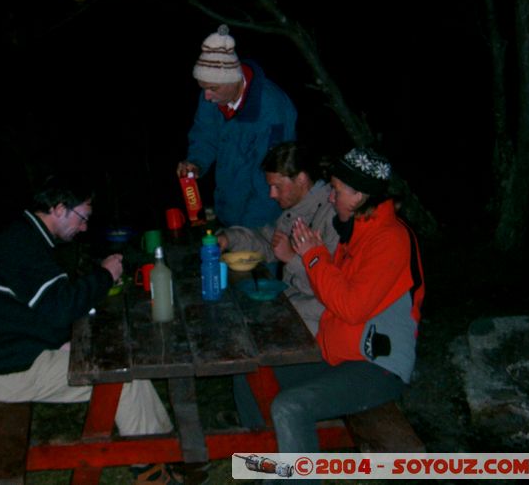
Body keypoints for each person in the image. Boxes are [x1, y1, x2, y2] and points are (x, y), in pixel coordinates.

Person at [0, 172, 178, 484]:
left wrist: (58, 341)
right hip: (7, 371)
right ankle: (152, 470)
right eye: (83, 217)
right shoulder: (23, 246)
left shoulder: (25, 235)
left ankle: (167, 452)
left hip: (14, 352)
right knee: (122, 380)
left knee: (127, 368)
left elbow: (35, 309)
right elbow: (61, 308)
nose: (85, 227)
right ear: (59, 209)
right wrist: (105, 275)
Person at [269, 147, 425, 457]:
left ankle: (293, 475)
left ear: (359, 196)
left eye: (337, 191)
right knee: (261, 373)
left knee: (291, 406)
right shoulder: (356, 233)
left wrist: (314, 256)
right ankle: (264, 448)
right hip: (339, 354)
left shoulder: (390, 239)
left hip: (376, 366)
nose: (330, 197)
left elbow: (351, 308)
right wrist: (314, 258)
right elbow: (333, 290)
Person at [177, 24, 298, 229]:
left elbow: (271, 180)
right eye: (203, 88)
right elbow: (204, 136)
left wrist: (246, 232)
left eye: (212, 88)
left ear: (233, 80)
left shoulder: (271, 109)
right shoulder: (212, 97)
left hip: (264, 221)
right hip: (228, 212)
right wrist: (196, 162)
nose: (207, 96)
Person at [217, 141, 338, 336]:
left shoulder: (332, 216)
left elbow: (331, 290)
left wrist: (291, 258)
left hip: (320, 321)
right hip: (294, 304)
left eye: (277, 187)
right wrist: (229, 238)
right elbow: (268, 241)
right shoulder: (298, 210)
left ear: (301, 179)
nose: (271, 194)